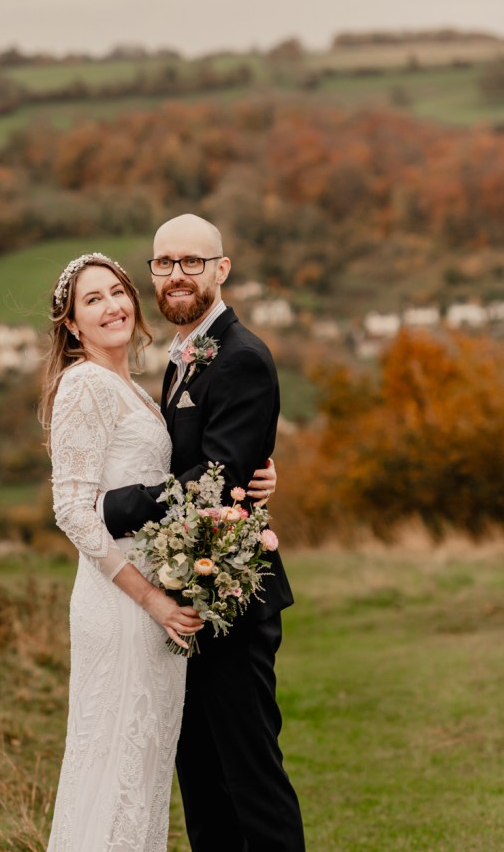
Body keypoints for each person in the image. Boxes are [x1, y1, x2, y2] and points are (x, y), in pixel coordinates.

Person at [39, 252, 273, 852]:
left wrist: (252, 477)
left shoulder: (139, 385)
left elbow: (196, 467)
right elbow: (72, 512)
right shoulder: (84, 385)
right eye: (92, 300)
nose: (112, 306)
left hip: (159, 605)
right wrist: (150, 600)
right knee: (114, 758)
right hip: (124, 604)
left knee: (143, 769)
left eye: (117, 292)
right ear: (71, 324)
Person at [100, 215, 306, 852]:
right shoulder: (184, 354)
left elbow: (210, 483)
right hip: (188, 595)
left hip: (232, 601)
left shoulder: (241, 356)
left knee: (250, 780)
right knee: (204, 784)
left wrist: (112, 506)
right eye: (164, 264)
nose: (177, 275)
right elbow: (215, 463)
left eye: (192, 262)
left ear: (222, 270)